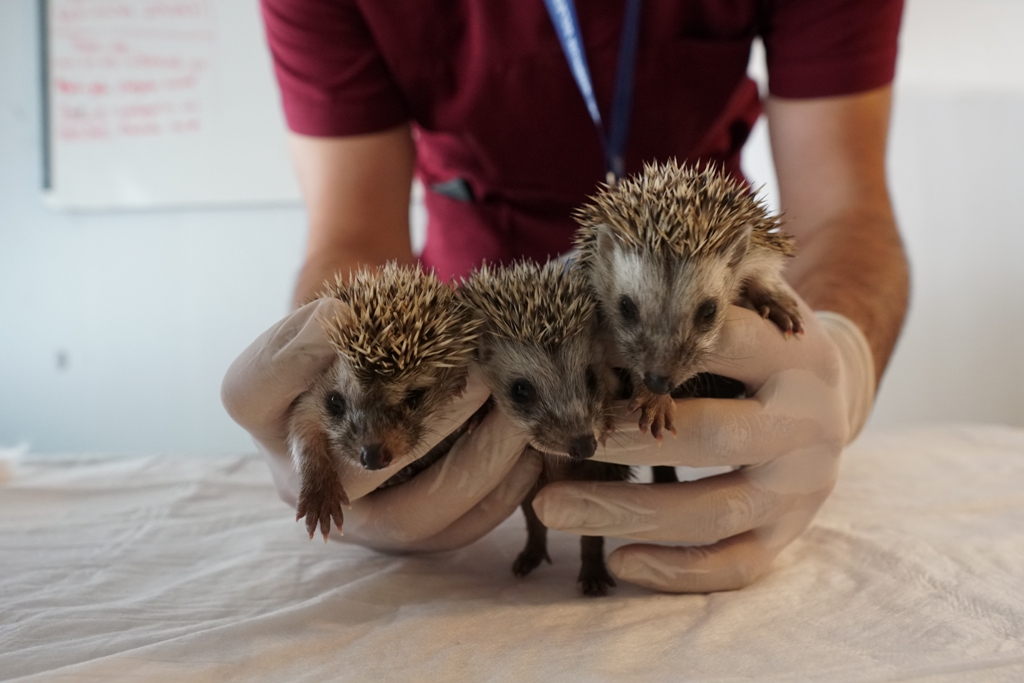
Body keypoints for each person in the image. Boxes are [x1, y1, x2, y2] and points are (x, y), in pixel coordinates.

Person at [222, 0, 908, 592]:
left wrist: (840, 358)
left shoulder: (719, 264)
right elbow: (354, 233)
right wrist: (332, 392)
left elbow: (841, 212)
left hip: (693, 323)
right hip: (467, 341)